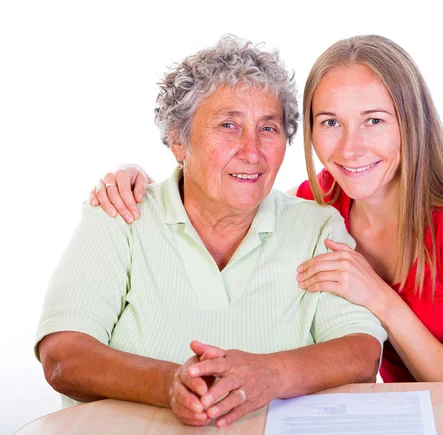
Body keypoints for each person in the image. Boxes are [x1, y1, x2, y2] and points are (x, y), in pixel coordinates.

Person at [90, 35, 443, 390]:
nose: (351, 147)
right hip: (427, 417)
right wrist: (140, 177)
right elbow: (230, 185)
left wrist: (380, 297)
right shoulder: (320, 203)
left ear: (411, 125)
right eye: (330, 122)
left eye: (374, 120)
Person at [35, 35, 387, 429]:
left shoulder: (316, 226)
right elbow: (62, 356)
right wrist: (169, 384)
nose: (252, 151)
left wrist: (271, 375)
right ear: (177, 141)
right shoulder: (119, 214)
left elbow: (362, 353)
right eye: (228, 125)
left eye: (268, 128)